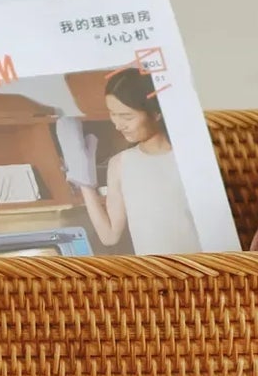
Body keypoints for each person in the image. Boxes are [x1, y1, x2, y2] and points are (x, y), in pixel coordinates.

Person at [70, 68, 200, 255]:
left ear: (156, 113)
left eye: (127, 117)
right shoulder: (120, 163)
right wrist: (82, 179)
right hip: (154, 276)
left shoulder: (189, 156)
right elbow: (109, 236)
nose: (117, 124)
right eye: (113, 114)